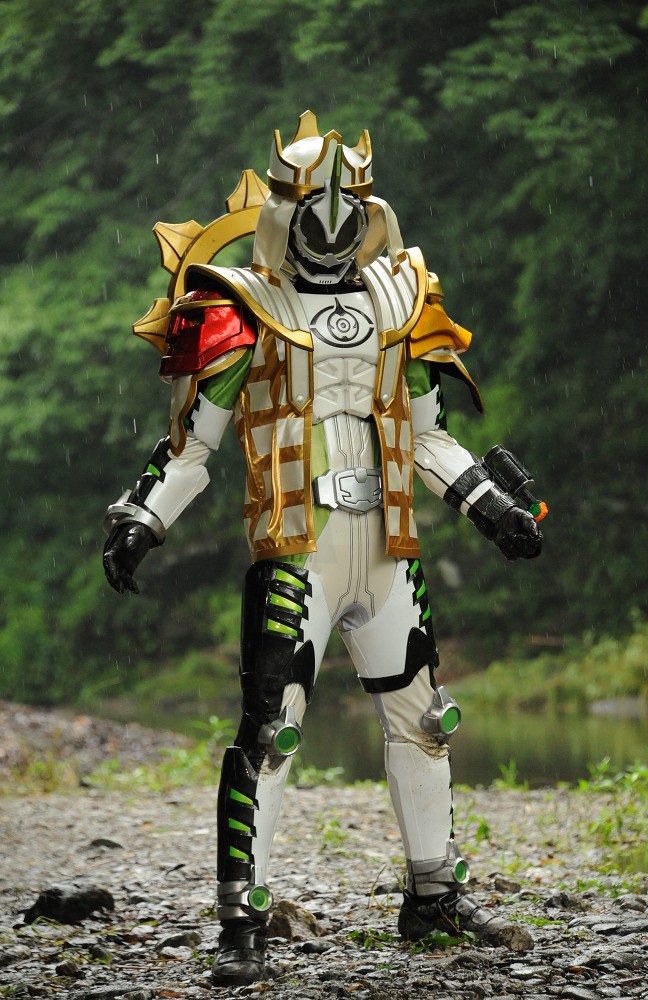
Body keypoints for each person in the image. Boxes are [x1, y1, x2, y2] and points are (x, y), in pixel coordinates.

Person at [103, 111, 543, 987]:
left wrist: (493, 507)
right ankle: (243, 920)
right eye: (314, 209)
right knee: (271, 733)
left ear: (370, 211)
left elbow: (427, 435)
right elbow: (193, 444)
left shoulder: (401, 298)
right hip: (295, 546)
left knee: (425, 722)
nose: (333, 225)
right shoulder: (242, 305)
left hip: (387, 543)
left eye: (348, 208)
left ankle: (432, 897)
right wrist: (143, 518)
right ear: (285, 212)